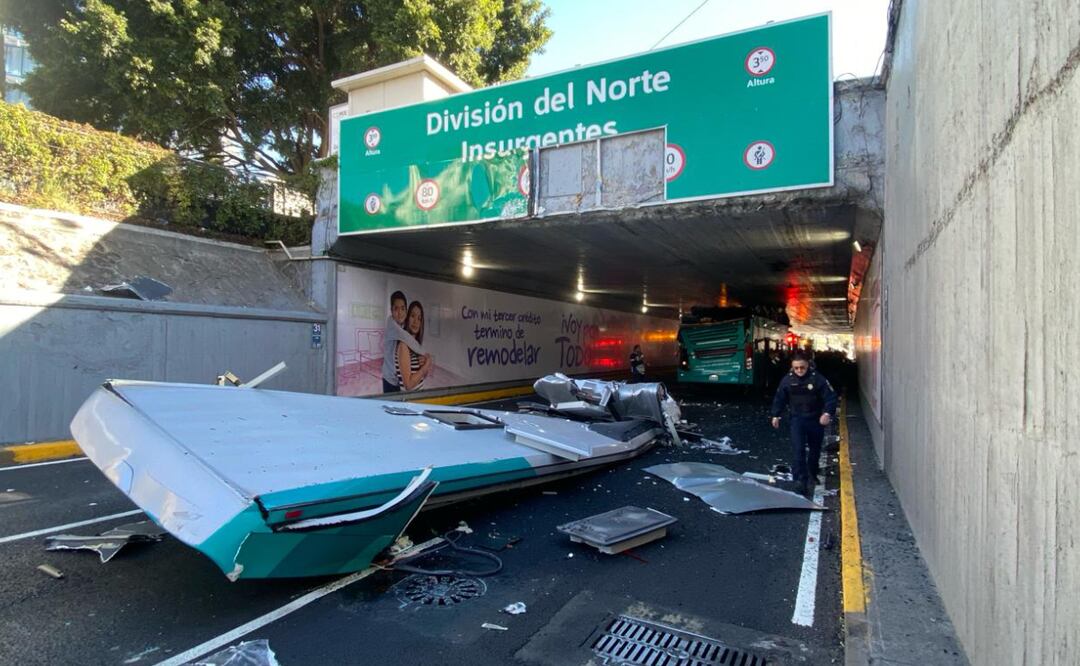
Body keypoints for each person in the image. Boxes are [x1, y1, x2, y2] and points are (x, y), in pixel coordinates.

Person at [770, 350, 837, 497]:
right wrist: (776, 415)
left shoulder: (817, 379)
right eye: (796, 368)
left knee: (814, 451)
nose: (799, 371)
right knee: (798, 451)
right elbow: (780, 398)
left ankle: (812, 472)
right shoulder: (787, 380)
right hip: (797, 420)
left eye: (802, 367)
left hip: (815, 420)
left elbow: (830, 397)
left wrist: (827, 413)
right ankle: (800, 481)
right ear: (792, 367)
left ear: (808, 366)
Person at [381, 291, 429, 393]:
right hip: (389, 379)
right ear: (391, 311)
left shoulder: (402, 326)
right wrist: (426, 356)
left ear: (406, 310)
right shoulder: (393, 326)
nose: (400, 313)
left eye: (403, 308)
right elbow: (407, 338)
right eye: (396, 309)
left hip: (397, 379)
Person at [396, 301, 432, 391]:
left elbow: (423, 376)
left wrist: (425, 363)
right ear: (407, 318)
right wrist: (425, 367)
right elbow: (408, 385)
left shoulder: (416, 347)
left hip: (418, 399)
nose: (416, 321)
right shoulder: (403, 345)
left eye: (419, 318)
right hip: (410, 403)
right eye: (413, 316)